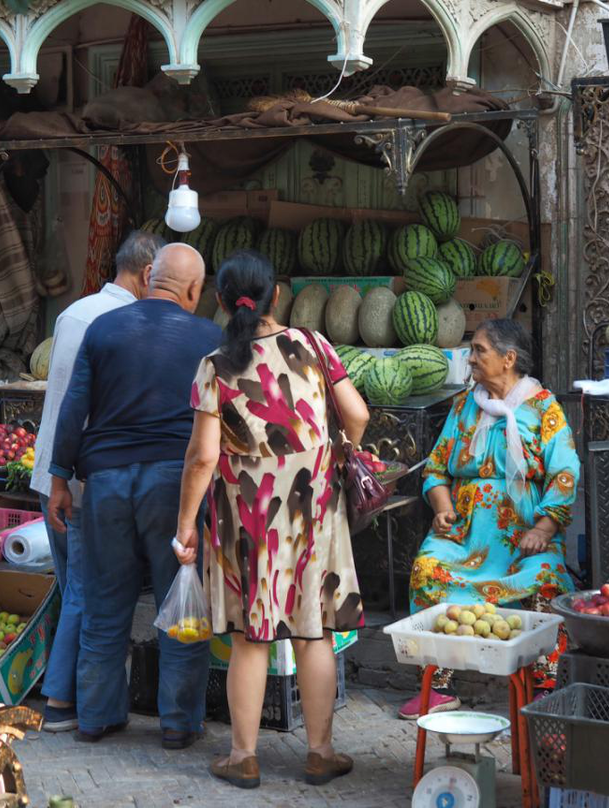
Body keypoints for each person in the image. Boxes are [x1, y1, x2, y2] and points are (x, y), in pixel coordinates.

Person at [173, 250, 368, 789]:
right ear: (276, 295)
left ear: (220, 301)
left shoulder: (215, 366)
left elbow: (203, 458)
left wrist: (185, 524)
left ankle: (243, 756)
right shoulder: (314, 346)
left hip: (248, 518)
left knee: (249, 638)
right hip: (314, 513)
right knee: (314, 632)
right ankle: (321, 752)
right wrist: (336, 454)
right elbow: (357, 414)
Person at [47, 242, 221, 746]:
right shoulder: (211, 338)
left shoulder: (104, 328)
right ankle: (177, 724)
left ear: (150, 278)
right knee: (180, 602)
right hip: (174, 488)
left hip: (104, 485)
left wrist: (60, 480)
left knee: (104, 601)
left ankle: (96, 717)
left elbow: (73, 405)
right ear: (193, 290)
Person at [398, 318, 579, 720]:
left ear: (508, 359)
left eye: (479, 350)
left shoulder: (544, 407)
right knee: (428, 569)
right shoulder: (466, 405)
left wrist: (542, 529)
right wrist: (443, 508)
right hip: (466, 536)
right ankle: (438, 687)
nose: (471, 358)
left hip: (523, 540)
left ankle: (545, 686)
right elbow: (437, 468)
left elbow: (565, 473)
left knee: (548, 579)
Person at [29, 230, 162, 732]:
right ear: (149, 274)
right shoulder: (119, 322)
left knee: (76, 589)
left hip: (52, 473)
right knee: (87, 591)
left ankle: (72, 697)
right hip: (83, 480)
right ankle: (62, 700)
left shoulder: (74, 312)